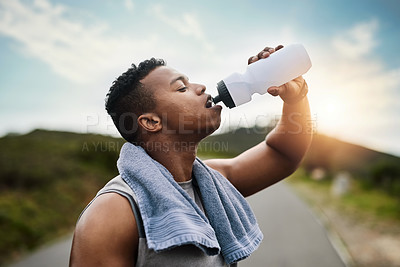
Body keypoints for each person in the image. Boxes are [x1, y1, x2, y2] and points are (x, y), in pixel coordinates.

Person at [69, 45, 312, 266]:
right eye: (182, 87)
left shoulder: (213, 182)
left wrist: (296, 98)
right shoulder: (112, 213)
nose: (201, 87)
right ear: (151, 121)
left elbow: (283, 154)